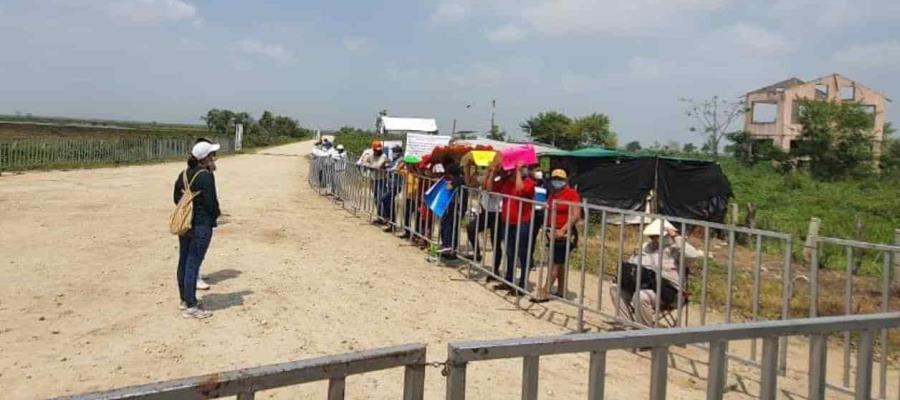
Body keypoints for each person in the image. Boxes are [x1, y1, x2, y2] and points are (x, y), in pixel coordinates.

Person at [609, 219, 703, 326]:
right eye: (652, 236)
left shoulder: (676, 250)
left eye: (657, 236)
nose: (654, 239)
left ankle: (644, 331)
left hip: (668, 292)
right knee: (615, 287)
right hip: (642, 285)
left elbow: (692, 256)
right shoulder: (645, 247)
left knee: (641, 296)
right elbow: (632, 263)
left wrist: (676, 237)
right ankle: (626, 322)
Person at [173, 141, 221, 319]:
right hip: (201, 225)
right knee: (193, 263)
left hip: (185, 224)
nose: (214, 158)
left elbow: (176, 197)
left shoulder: (185, 174)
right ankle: (192, 306)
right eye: (211, 155)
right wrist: (215, 215)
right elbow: (211, 204)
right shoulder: (206, 176)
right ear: (205, 158)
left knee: (184, 262)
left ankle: (185, 300)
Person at [532, 169, 580, 302]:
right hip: (551, 231)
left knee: (554, 262)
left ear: (565, 180)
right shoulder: (553, 194)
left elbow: (576, 215)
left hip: (564, 233)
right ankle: (561, 290)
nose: (557, 181)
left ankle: (544, 291)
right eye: (555, 178)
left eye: (560, 179)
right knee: (560, 262)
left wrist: (563, 230)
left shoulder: (572, 194)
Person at [486, 162, 536, 292]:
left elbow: (520, 190)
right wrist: (493, 173)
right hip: (508, 222)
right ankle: (508, 280)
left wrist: (519, 172)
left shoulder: (529, 182)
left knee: (522, 252)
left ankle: (522, 283)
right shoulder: (507, 181)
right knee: (510, 252)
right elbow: (490, 189)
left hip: (523, 222)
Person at [463, 160, 502, 264]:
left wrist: (492, 173)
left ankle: (495, 269)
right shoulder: (487, 176)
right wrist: (467, 169)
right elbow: (470, 184)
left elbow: (488, 188)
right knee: (471, 228)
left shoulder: (500, 179)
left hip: (497, 213)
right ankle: (477, 253)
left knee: (495, 242)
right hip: (486, 212)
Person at [357, 141, 389, 223]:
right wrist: (369, 166)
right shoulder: (370, 154)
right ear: (373, 149)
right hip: (373, 178)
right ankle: (379, 216)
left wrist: (369, 166)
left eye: (379, 150)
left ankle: (384, 217)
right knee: (376, 198)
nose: (378, 151)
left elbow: (377, 166)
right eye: (376, 150)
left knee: (381, 198)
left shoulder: (383, 156)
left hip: (382, 179)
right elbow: (363, 162)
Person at [438, 163, 466, 256]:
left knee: (449, 224)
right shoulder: (460, 179)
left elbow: (449, 187)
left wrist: (449, 184)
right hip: (456, 206)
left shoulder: (458, 180)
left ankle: (448, 245)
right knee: (451, 225)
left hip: (458, 206)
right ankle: (450, 247)